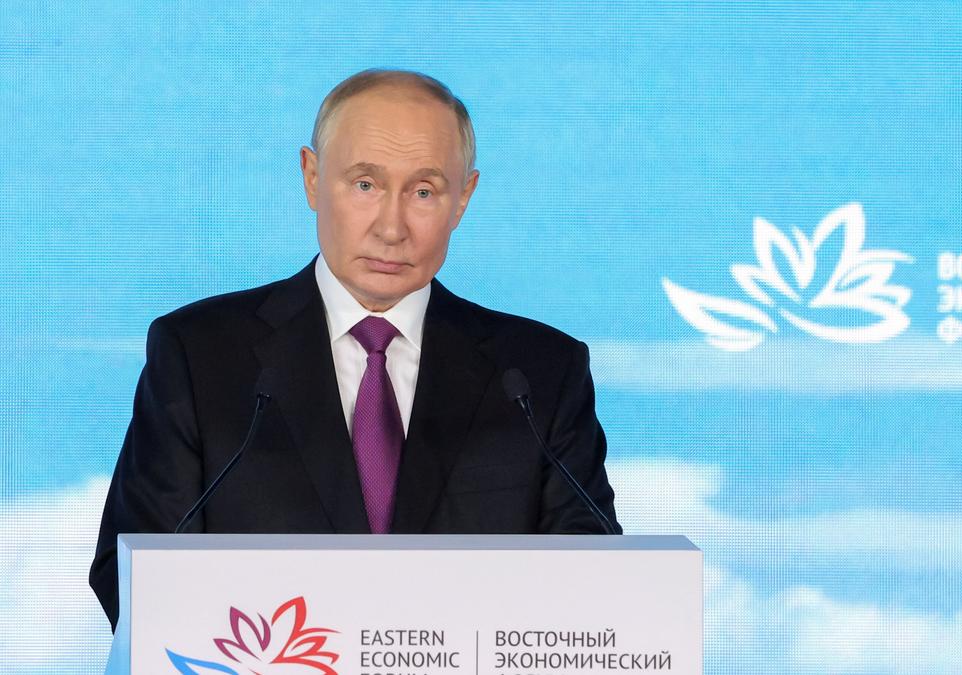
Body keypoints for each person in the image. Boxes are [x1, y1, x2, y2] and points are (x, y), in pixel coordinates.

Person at [89, 69, 621, 630]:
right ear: (312, 178)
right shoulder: (199, 355)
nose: (391, 228)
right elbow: (132, 574)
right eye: (365, 184)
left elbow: (594, 586)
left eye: (423, 192)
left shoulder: (539, 375)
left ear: (463, 198)